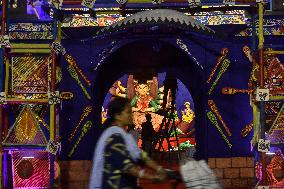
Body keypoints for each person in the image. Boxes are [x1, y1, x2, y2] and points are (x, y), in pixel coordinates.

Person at [89, 97, 166, 189]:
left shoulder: (124, 136)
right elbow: (127, 167)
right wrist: (152, 176)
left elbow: (141, 156)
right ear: (118, 116)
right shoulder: (113, 137)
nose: (132, 115)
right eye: (128, 112)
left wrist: (159, 169)